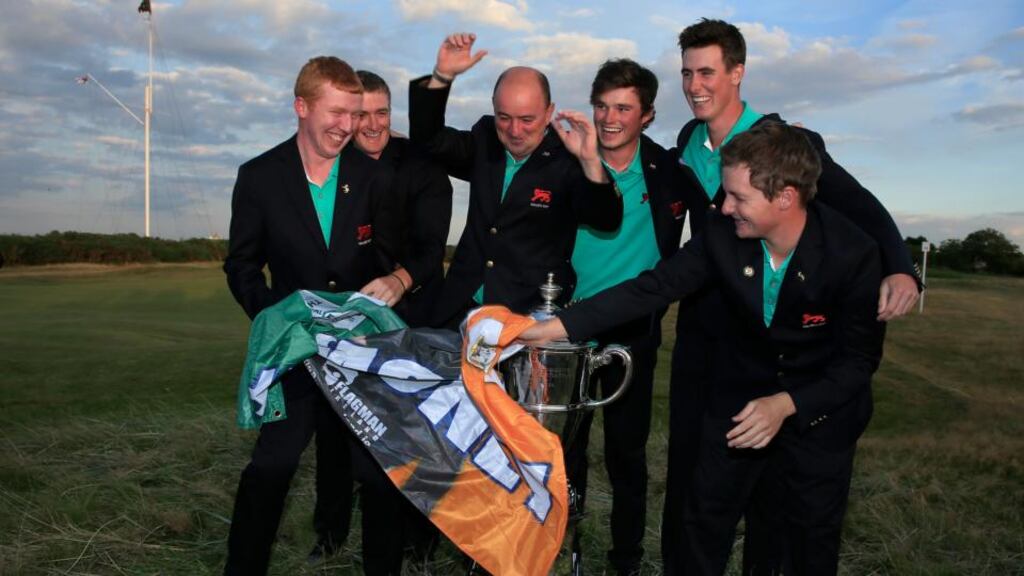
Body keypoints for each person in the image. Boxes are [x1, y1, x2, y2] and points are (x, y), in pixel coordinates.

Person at [521, 122, 886, 576]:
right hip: (736, 406)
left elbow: (858, 362)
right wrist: (555, 326)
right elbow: (653, 287)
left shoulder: (853, 254)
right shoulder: (722, 234)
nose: (724, 206)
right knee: (701, 531)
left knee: (803, 544)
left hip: (818, 421)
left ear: (786, 197)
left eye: (738, 197)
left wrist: (786, 405)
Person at [662, 18, 921, 574]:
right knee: (696, 477)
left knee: (773, 496)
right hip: (706, 332)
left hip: (767, 337)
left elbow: (864, 207)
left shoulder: (786, 146)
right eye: (686, 72)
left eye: (706, 71)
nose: (693, 85)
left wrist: (902, 268)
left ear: (738, 72)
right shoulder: (688, 142)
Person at [222, 56, 397, 575]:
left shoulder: (372, 177)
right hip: (294, 353)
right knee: (272, 467)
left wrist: (394, 282)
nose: (349, 126)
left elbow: (389, 259)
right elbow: (242, 265)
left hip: (361, 356)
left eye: (355, 113)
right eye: (338, 112)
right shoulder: (258, 177)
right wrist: (277, 318)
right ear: (302, 107)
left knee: (380, 471)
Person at [309, 69, 453, 574]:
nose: (370, 125)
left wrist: (401, 279)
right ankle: (328, 534)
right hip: (347, 321)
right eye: (359, 114)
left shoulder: (423, 162)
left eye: (381, 114)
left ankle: (420, 539)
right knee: (335, 431)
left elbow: (434, 248)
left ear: (393, 113)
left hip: (415, 314)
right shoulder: (333, 162)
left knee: (414, 435)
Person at [408, 33, 623, 329]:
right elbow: (428, 140)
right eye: (504, 117)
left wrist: (589, 160)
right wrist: (442, 77)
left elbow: (607, 219)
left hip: (526, 319)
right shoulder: (485, 140)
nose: (515, 130)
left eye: (527, 119)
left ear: (549, 112)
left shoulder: (569, 160)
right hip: (459, 309)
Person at [563, 58, 685, 575]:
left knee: (626, 458)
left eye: (624, 108)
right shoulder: (566, 160)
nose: (610, 118)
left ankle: (626, 558)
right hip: (565, 332)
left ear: (648, 115)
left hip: (633, 336)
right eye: (603, 106)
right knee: (565, 454)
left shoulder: (668, 173)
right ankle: (563, 547)